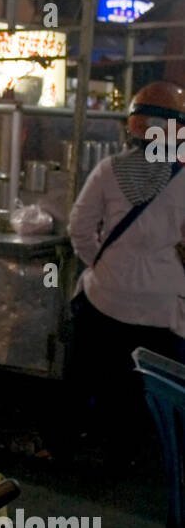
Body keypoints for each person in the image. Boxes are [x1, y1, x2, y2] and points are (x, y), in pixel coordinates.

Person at [67, 80, 185, 450]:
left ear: (132, 125)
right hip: (162, 301)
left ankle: (81, 436)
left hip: (107, 295)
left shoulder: (108, 169)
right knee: (150, 380)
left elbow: (79, 229)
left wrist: (101, 263)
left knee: (94, 368)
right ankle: (141, 444)